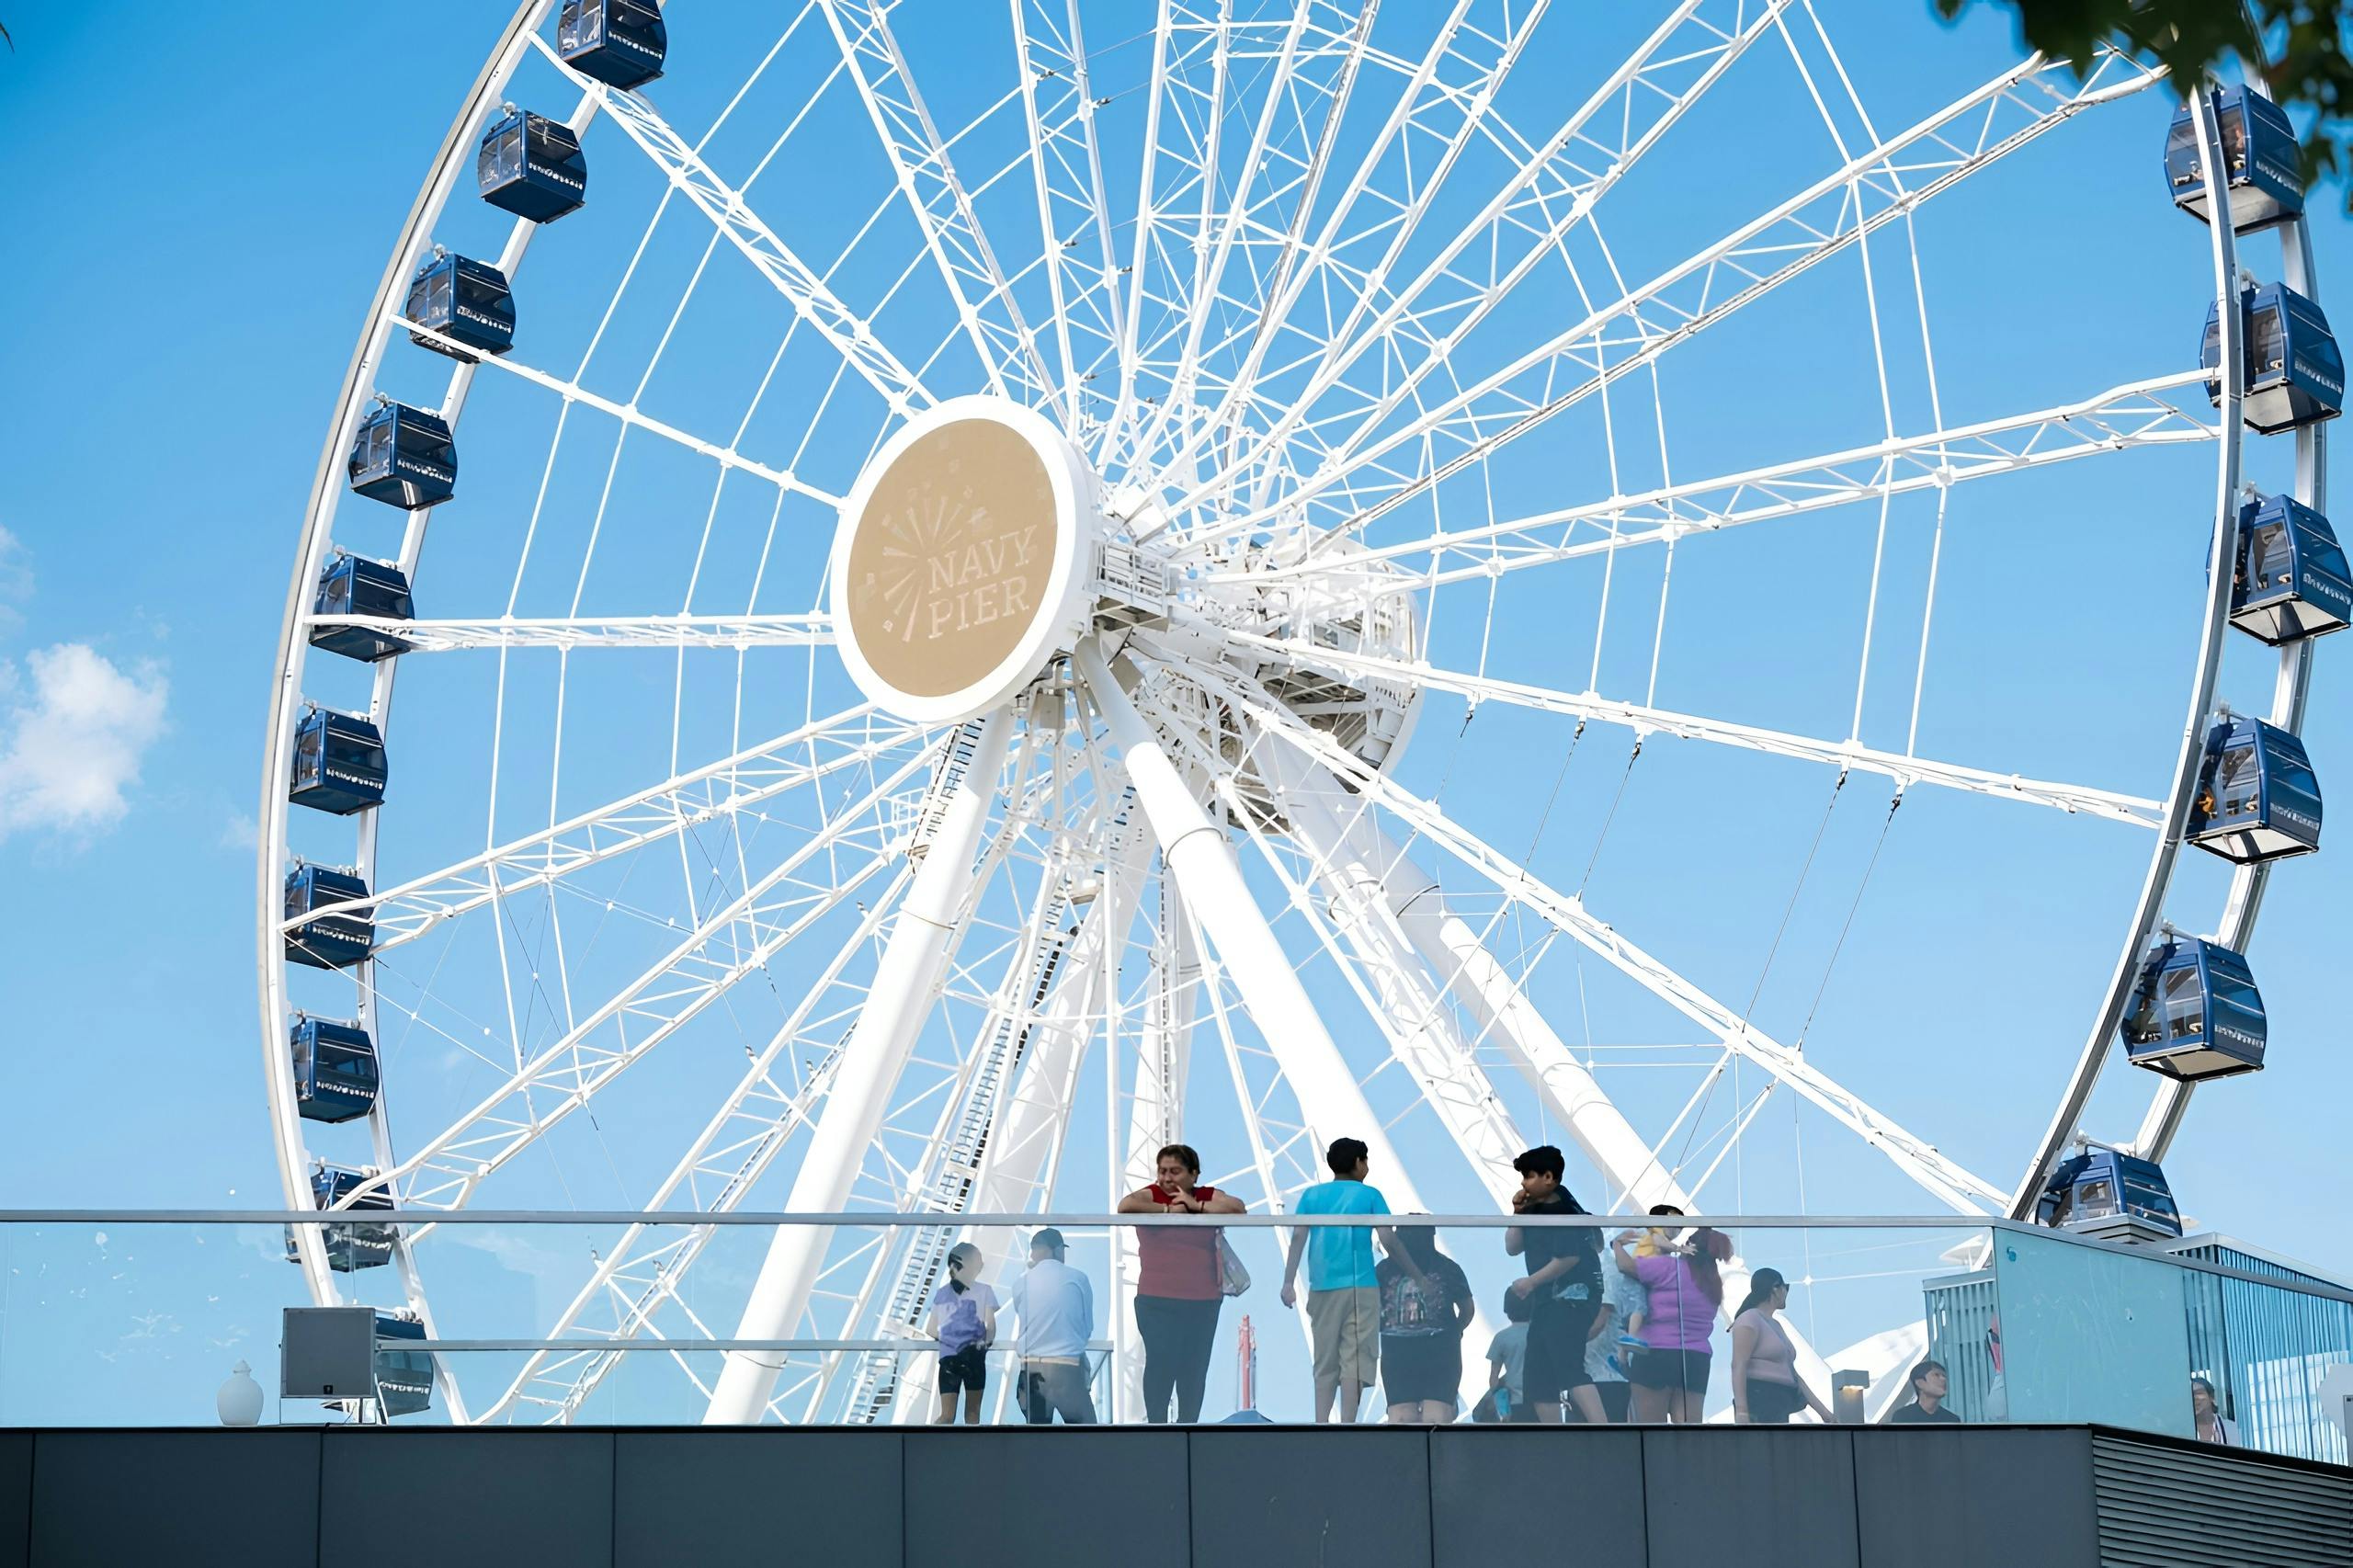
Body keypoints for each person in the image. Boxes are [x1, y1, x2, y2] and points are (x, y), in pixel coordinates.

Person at [1281, 1137, 1426, 1423]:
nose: (1367, 1167)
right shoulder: (1369, 1195)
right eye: (1366, 1160)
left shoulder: (1311, 1196)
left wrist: (1288, 1281)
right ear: (1358, 1162)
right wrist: (1416, 1274)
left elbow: (1298, 1237)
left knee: (1325, 1357)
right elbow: (1388, 1239)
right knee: (1356, 1358)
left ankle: (1320, 1422)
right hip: (1361, 1285)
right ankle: (1348, 1423)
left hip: (1322, 1286)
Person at [1119, 1142, 1245, 1423]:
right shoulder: (1150, 1196)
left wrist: (1196, 1207)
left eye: (1174, 1171)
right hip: (1156, 1298)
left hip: (1202, 1300)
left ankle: (1188, 1426)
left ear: (1194, 1174)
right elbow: (1125, 1206)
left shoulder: (1206, 1197)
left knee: (1194, 1368)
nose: (1166, 1178)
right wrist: (1168, 1211)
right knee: (1160, 1361)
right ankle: (1157, 1425)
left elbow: (1238, 1208)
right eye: (1162, 1171)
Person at [1504, 1144, 1608, 1426]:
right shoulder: (1535, 1210)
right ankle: (1555, 1436)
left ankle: (1604, 1430)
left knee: (1568, 1365)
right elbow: (1512, 1247)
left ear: (1548, 1177)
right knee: (1538, 1375)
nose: (1523, 1183)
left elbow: (1568, 1258)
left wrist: (1530, 1282)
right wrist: (1517, 1212)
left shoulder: (1563, 1211)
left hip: (1573, 1299)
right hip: (1547, 1302)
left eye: (1529, 1176)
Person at [1612, 1211, 1728, 1424]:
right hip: (1696, 1359)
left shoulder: (1668, 1267)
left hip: (1656, 1353)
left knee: (1650, 1430)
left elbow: (1625, 1266)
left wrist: (1617, 1245)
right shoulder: (1713, 1284)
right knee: (1688, 1429)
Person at [1376, 1221, 1472, 1425]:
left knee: (1401, 1417)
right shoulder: (1448, 1267)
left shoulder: (1383, 1270)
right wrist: (1455, 1331)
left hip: (1397, 1349)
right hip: (1441, 1348)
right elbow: (1467, 1309)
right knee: (1437, 1417)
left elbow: (1370, 1310)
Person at [1009, 1227, 1096, 1425]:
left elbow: (1024, 1317)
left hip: (1030, 1370)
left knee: (1037, 1436)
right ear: (1057, 1250)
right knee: (1089, 1435)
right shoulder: (1078, 1278)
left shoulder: (1020, 1283)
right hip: (1066, 1370)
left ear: (1034, 1252)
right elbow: (1087, 1327)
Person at [1729, 1267, 1831, 1425]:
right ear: (1775, 1289)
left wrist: (1825, 1414)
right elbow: (1738, 1365)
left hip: (1780, 1401)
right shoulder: (1749, 1319)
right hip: (1760, 1397)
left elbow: (1793, 1374)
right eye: (1786, 1287)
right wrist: (1742, 1411)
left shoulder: (1775, 1325)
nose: (1786, 1292)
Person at [926, 1242, 998, 1425]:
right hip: (974, 1357)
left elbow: (931, 1329)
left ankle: (931, 1440)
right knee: (973, 1415)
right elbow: (991, 1326)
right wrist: (985, 1343)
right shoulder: (985, 1290)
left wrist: (950, 1340)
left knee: (946, 1415)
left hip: (949, 1358)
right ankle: (972, 1444)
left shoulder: (942, 1293)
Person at [1481, 1289, 1533, 1423]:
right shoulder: (1540, 1334)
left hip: (1514, 1402)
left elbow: (1494, 1378)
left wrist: (1501, 1407)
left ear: (1506, 1310)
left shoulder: (1501, 1338)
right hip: (1542, 1400)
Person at [1888, 1358, 1960, 1424]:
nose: (1943, 1379)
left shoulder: (1952, 1420)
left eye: (1944, 1376)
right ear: (1920, 1383)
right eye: (1936, 1375)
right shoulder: (1903, 1416)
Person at [2192, 1376, 2242, 1446]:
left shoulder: (2231, 1428)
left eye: (2199, 1393)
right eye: (2192, 1394)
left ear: (2211, 1397)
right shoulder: (2186, 1430)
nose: (2195, 1398)